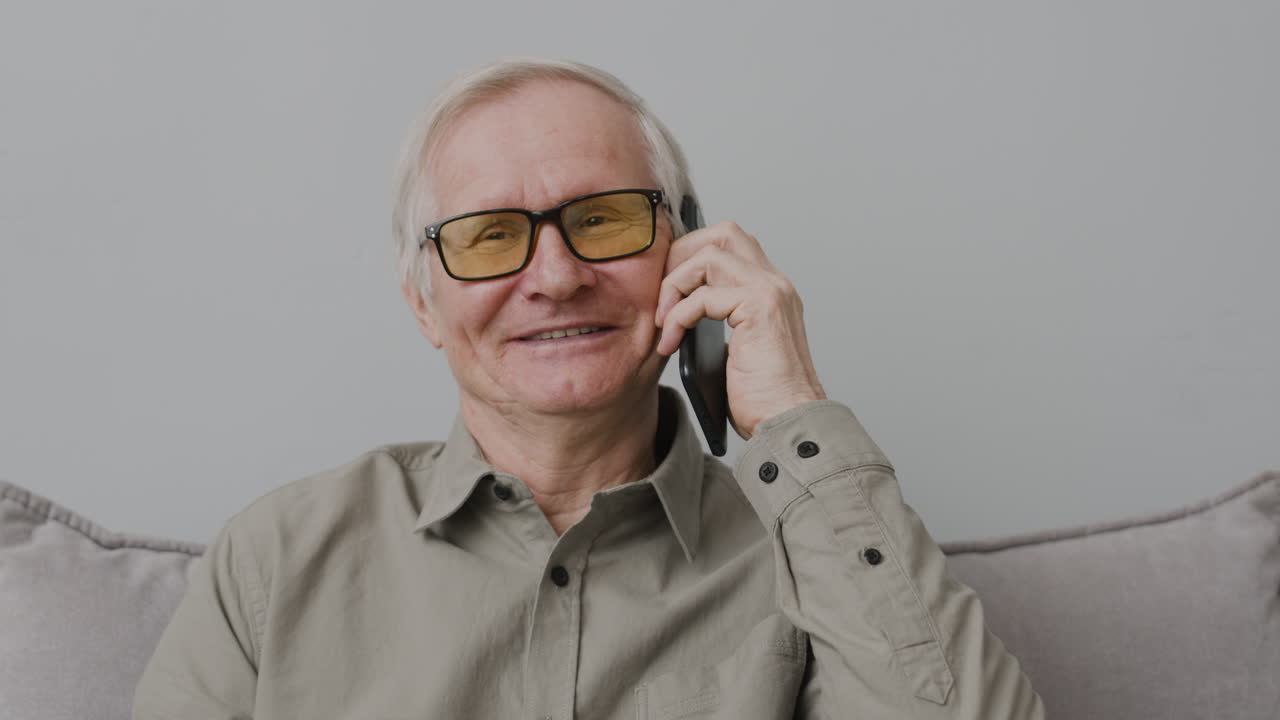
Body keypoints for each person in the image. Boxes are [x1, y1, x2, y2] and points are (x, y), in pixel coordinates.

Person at [133, 58, 1045, 719]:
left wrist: (796, 412)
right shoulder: (275, 561)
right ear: (423, 300)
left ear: (687, 253)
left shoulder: (813, 555)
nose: (557, 276)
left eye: (601, 219)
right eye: (491, 236)